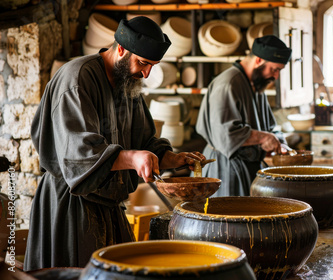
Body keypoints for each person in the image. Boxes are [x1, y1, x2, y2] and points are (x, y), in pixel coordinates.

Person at [24, 16, 205, 271]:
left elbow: (143, 142)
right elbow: (80, 155)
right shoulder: (77, 79)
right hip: (71, 204)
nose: (146, 73)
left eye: (153, 65)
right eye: (143, 63)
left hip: (108, 203)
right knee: (77, 274)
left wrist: (169, 158)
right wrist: (132, 158)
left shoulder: (127, 83)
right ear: (121, 49)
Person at [196, 35, 292, 197]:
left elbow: (269, 127)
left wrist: (280, 143)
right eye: (274, 69)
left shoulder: (257, 84)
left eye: (279, 71)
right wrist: (262, 138)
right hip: (224, 170)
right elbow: (224, 134)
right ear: (258, 60)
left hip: (247, 167)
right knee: (229, 220)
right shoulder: (228, 83)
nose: (275, 76)